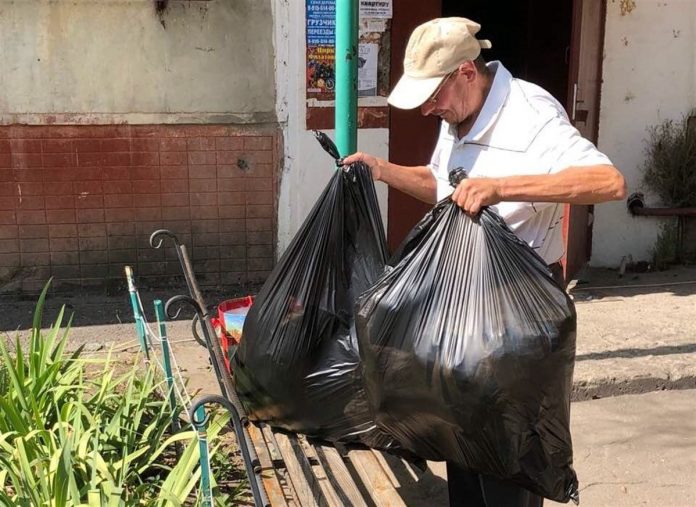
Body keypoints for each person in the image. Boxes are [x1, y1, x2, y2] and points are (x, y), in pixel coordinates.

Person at [341, 16, 626, 507]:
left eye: (435, 95)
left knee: (509, 459)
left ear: (467, 72)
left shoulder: (530, 112)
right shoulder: (458, 115)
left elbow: (608, 182)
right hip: (467, 302)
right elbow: (442, 185)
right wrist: (382, 170)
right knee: (463, 440)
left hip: (520, 311)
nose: (430, 108)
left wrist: (502, 186)